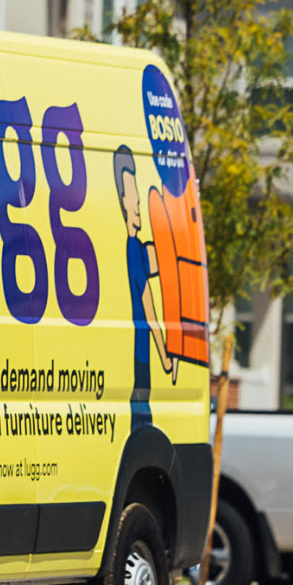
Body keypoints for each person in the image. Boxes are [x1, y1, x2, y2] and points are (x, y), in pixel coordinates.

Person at [113, 146, 177, 431]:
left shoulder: (134, 249)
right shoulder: (131, 250)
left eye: (138, 195)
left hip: (140, 357)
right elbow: (150, 312)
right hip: (139, 358)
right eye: (132, 196)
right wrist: (166, 357)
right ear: (122, 200)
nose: (138, 203)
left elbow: (160, 261)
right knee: (142, 415)